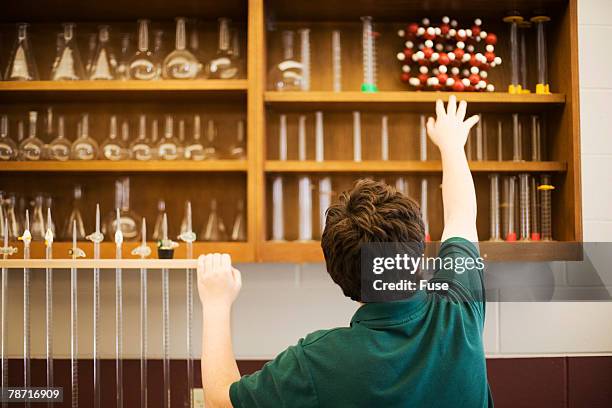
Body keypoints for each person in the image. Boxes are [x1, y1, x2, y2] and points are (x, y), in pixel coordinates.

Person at [197, 96, 492, 407]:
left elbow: (219, 401)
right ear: (419, 252)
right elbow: (461, 215)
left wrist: (216, 302)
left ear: (337, 273)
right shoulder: (459, 307)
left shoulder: (316, 361)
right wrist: (452, 145)